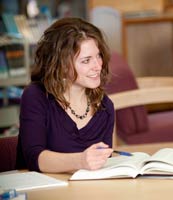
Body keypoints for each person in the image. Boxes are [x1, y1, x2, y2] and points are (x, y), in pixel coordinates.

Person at [16, 17, 114, 173]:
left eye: (98, 56)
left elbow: (102, 161)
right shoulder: (36, 96)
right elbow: (33, 158)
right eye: (86, 60)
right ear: (61, 65)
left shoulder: (105, 107)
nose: (97, 66)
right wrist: (81, 160)